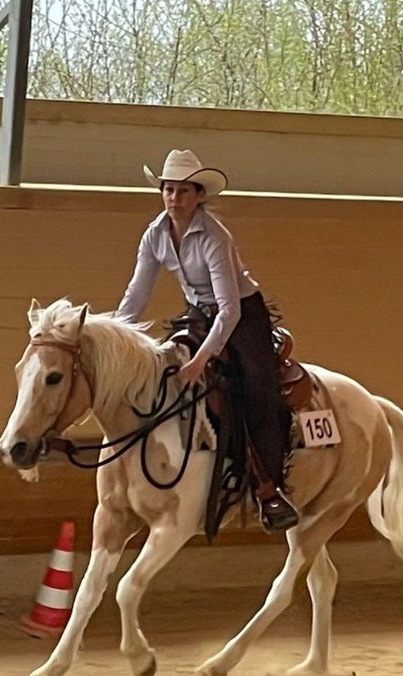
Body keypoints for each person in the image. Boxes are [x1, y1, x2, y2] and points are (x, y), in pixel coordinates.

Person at [114, 149, 300, 532]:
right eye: (168, 189)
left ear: (199, 195)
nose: (174, 198)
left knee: (258, 390)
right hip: (200, 312)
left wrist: (200, 361)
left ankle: (269, 488)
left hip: (243, 315)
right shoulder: (154, 235)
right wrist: (114, 336)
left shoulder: (215, 236)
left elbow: (230, 310)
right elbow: (138, 292)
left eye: (183, 190)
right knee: (163, 373)